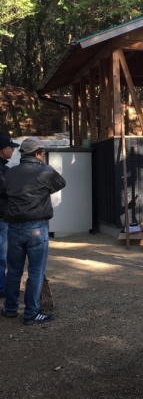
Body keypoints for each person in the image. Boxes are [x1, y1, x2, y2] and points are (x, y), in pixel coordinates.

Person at [0, 137, 66, 325]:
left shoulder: (10, 173)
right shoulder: (46, 171)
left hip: (14, 227)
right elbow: (61, 183)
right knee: (36, 271)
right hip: (37, 227)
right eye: (42, 153)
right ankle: (31, 312)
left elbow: (4, 191)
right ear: (38, 154)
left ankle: (10, 308)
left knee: (14, 270)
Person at [0, 133, 20, 296]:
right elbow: (6, 190)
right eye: (10, 147)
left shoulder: (4, 169)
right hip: (1, 216)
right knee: (2, 255)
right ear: (2, 150)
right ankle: (1, 288)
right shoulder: (2, 170)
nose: (13, 150)